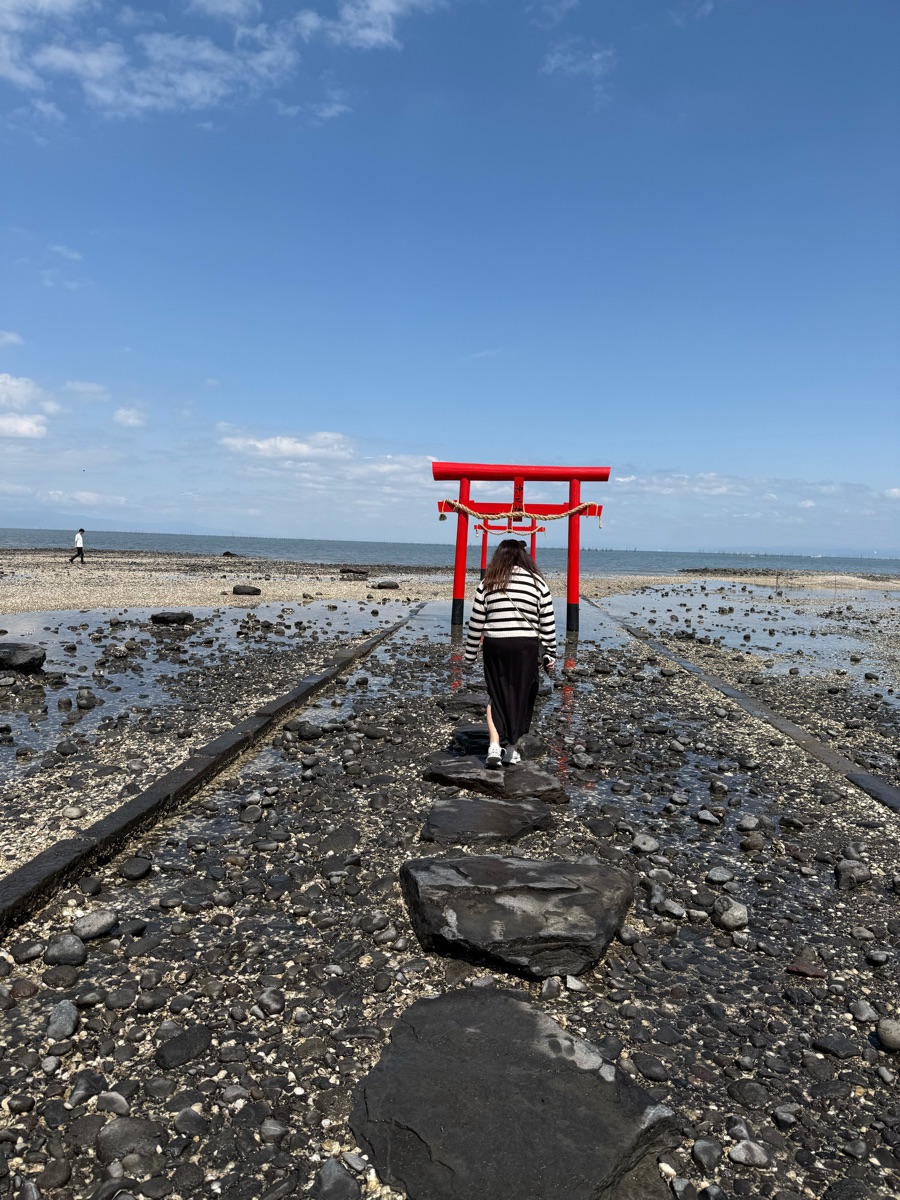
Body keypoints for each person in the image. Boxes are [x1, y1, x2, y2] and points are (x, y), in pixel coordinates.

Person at [463, 538, 556, 768]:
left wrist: (470, 654)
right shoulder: (538, 583)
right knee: (522, 694)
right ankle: (511, 749)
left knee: (496, 693)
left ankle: (494, 745)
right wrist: (550, 654)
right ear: (523, 557)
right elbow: (547, 622)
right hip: (526, 646)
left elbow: (476, 622)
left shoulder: (488, 582)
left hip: (495, 645)